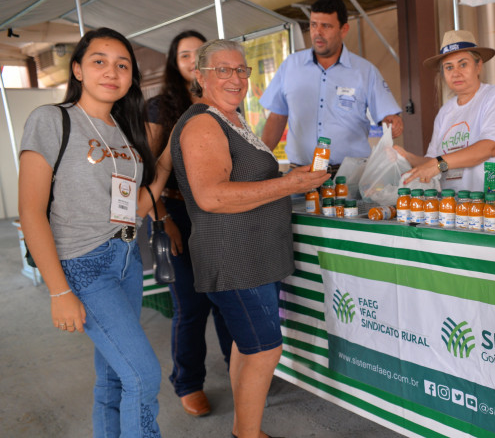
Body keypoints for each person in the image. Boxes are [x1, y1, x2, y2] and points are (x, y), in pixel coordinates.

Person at [171, 39, 330, 438]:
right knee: (264, 349)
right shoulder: (203, 122)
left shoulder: (232, 118)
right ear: (200, 76)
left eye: (241, 70)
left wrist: (291, 175)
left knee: (247, 345)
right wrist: (287, 183)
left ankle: (246, 430)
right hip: (235, 257)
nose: (235, 77)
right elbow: (212, 196)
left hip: (253, 255)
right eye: (222, 70)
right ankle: (246, 434)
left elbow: (246, 176)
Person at [19, 27, 171, 437]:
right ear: (78, 70)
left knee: (116, 379)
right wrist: (59, 291)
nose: (112, 72)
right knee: (144, 375)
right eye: (99, 61)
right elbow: (31, 211)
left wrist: (167, 161)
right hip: (83, 266)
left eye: (123, 65)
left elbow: (134, 209)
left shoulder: (125, 133)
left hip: (126, 260)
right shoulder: (52, 119)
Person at [145, 30, 234, 417]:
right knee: (191, 305)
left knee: (229, 298)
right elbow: (151, 171)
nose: (194, 60)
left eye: (201, 53)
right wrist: (164, 221)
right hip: (177, 212)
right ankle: (188, 382)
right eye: (186, 55)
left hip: (219, 212)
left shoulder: (224, 102)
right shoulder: (158, 106)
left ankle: (241, 371)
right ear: (175, 62)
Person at [260, 0, 403, 175]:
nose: (317, 32)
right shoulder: (290, 66)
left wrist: (393, 121)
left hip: (351, 177)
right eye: (313, 25)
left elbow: (388, 116)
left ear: (343, 29)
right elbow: (277, 117)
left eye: (326, 26)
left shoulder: (365, 72)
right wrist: (261, 161)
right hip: (300, 176)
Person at [394, 30, 495, 192]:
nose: (456, 73)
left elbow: (490, 147)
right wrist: (407, 157)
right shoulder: (445, 112)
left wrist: (438, 164)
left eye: (463, 64)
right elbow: (432, 161)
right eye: (448, 67)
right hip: (454, 207)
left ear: (478, 65)